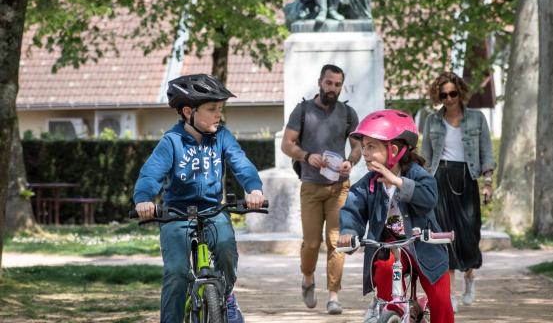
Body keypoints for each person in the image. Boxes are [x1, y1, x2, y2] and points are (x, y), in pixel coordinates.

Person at [133, 74, 265, 323]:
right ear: (187, 111)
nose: (219, 114)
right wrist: (144, 199)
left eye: (220, 109)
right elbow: (151, 174)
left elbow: (241, 163)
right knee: (176, 272)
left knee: (226, 250)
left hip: (213, 211)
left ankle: (226, 297)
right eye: (212, 109)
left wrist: (254, 189)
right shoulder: (171, 142)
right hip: (176, 214)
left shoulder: (222, 137)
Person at [338, 109, 454, 323]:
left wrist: (398, 182)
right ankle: (392, 312)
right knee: (383, 267)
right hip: (391, 247)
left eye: (371, 146)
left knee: (441, 302)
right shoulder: (369, 183)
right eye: (363, 147)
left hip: (424, 246)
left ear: (393, 149)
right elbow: (353, 207)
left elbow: (429, 197)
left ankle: (424, 308)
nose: (364, 152)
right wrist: (348, 231)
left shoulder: (416, 173)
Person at [281, 64, 361, 315]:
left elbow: (358, 147)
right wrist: (306, 156)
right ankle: (307, 278)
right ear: (320, 82)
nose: (333, 88)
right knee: (312, 243)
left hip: (339, 187)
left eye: (337, 85)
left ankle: (334, 296)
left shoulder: (348, 113)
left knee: (337, 241)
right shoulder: (303, 110)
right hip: (311, 187)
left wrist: (352, 160)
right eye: (329, 83)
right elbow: (287, 144)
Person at [421, 71, 495, 313]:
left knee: (469, 235)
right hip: (440, 178)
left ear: (460, 92)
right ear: (438, 96)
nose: (449, 99)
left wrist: (488, 183)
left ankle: (470, 278)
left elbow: (487, 152)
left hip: (467, 178)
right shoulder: (432, 120)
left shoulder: (476, 119)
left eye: (453, 93)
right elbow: (425, 157)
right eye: (443, 95)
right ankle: (449, 294)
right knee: (444, 235)